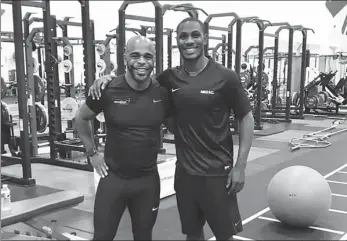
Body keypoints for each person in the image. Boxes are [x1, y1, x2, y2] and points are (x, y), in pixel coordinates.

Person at [89, 17, 254, 241]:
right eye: (183, 36)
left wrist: (240, 166)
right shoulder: (169, 78)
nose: (189, 41)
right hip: (185, 174)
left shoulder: (226, 77)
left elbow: (246, 117)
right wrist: (106, 79)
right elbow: (138, 76)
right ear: (177, 41)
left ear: (204, 38)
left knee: (224, 236)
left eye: (195, 35)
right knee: (193, 233)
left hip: (217, 173)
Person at [74, 36, 170, 240]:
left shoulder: (163, 92)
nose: (142, 61)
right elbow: (81, 118)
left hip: (147, 181)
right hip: (114, 179)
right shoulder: (107, 89)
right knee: (102, 236)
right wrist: (92, 153)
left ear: (154, 60)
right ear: (125, 58)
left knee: (144, 236)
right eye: (135, 55)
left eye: (148, 56)